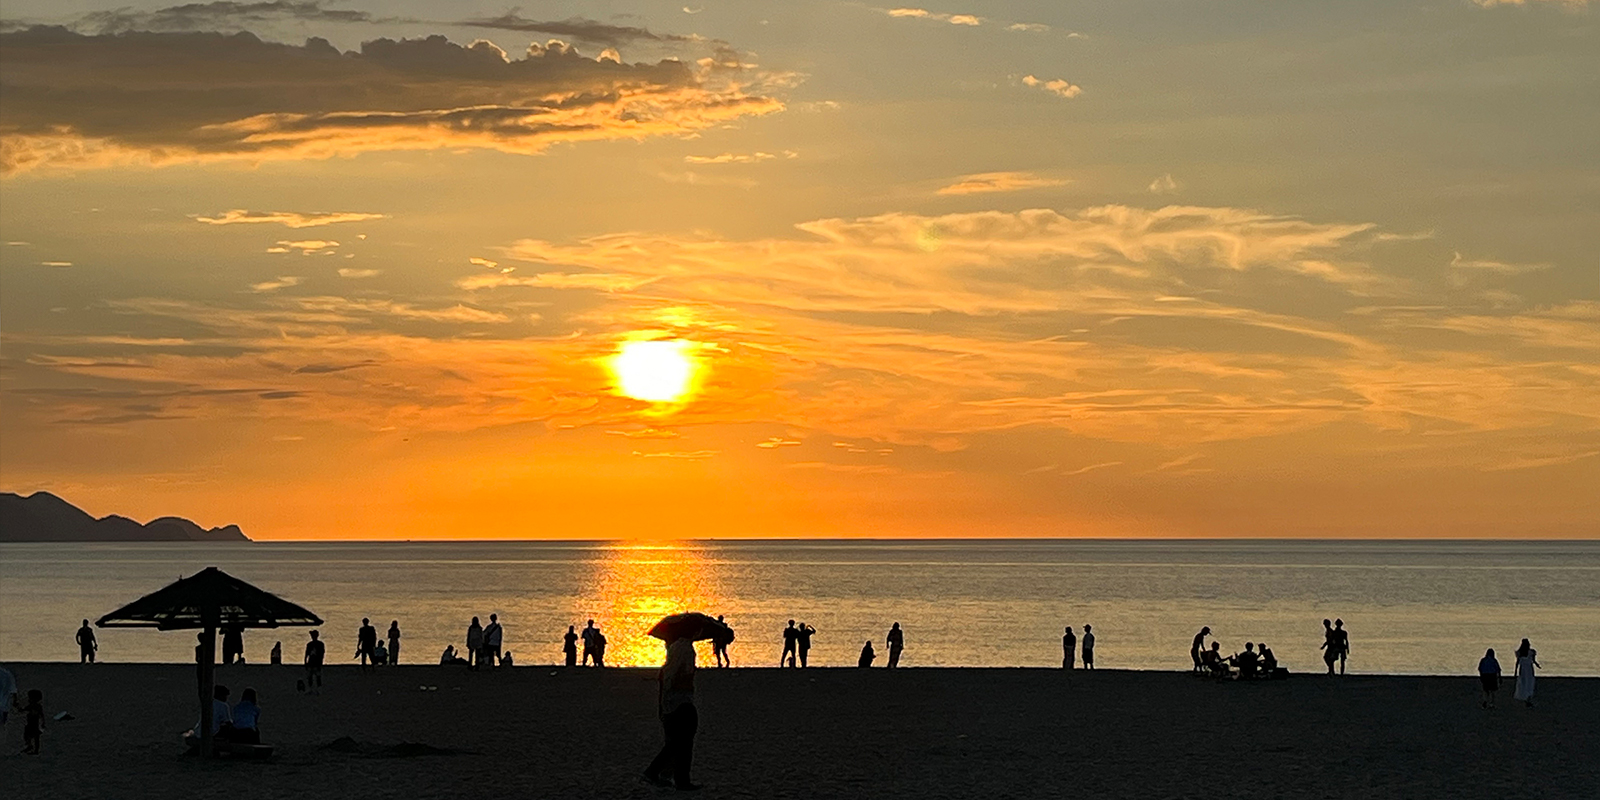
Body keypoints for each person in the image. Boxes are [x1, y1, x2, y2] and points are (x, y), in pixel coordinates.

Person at [642, 632, 700, 790]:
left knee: (677, 742)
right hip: (679, 703)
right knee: (681, 742)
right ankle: (662, 773)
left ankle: (669, 775)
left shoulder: (677, 653)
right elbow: (673, 682)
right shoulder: (682, 650)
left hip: (674, 704)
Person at [1513, 639, 1541, 708]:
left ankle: (1527, 699)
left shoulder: (1520, 652)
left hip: (1523, 669)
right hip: (1528, 669)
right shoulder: (1531, 652)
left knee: (1524, 684)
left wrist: (1515, 671)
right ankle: (1528, 699)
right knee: (1529, 683)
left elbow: (1517, 663)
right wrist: (1537, 665)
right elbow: (1533, 660)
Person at [22, 689, 43, 755]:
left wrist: (42, 722)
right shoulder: (32, 705)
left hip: (34, 724)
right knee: (27, 735)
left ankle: (35, 749)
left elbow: (41, 715)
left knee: (36, 737)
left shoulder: (36, 706)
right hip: (30, 723)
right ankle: (30, 746)